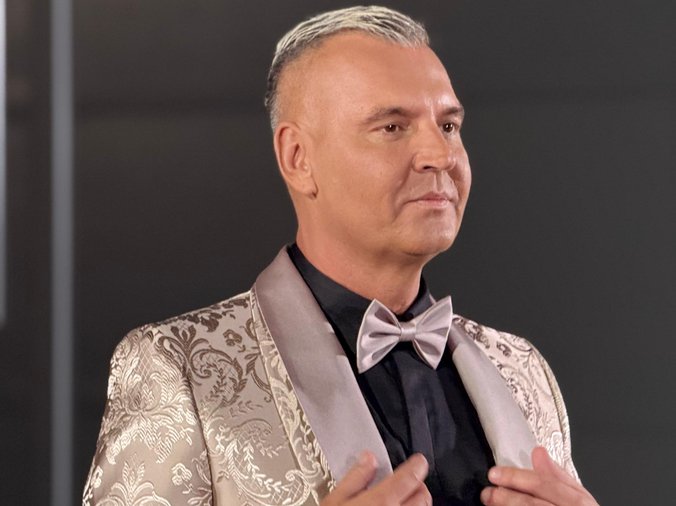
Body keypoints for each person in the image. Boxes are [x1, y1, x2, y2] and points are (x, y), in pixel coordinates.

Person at [83, 6, 599, 506]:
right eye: (392, 127)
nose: (441, 156)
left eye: (448, 126)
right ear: (298, 159)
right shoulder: (176, 366)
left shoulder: (520, 368)